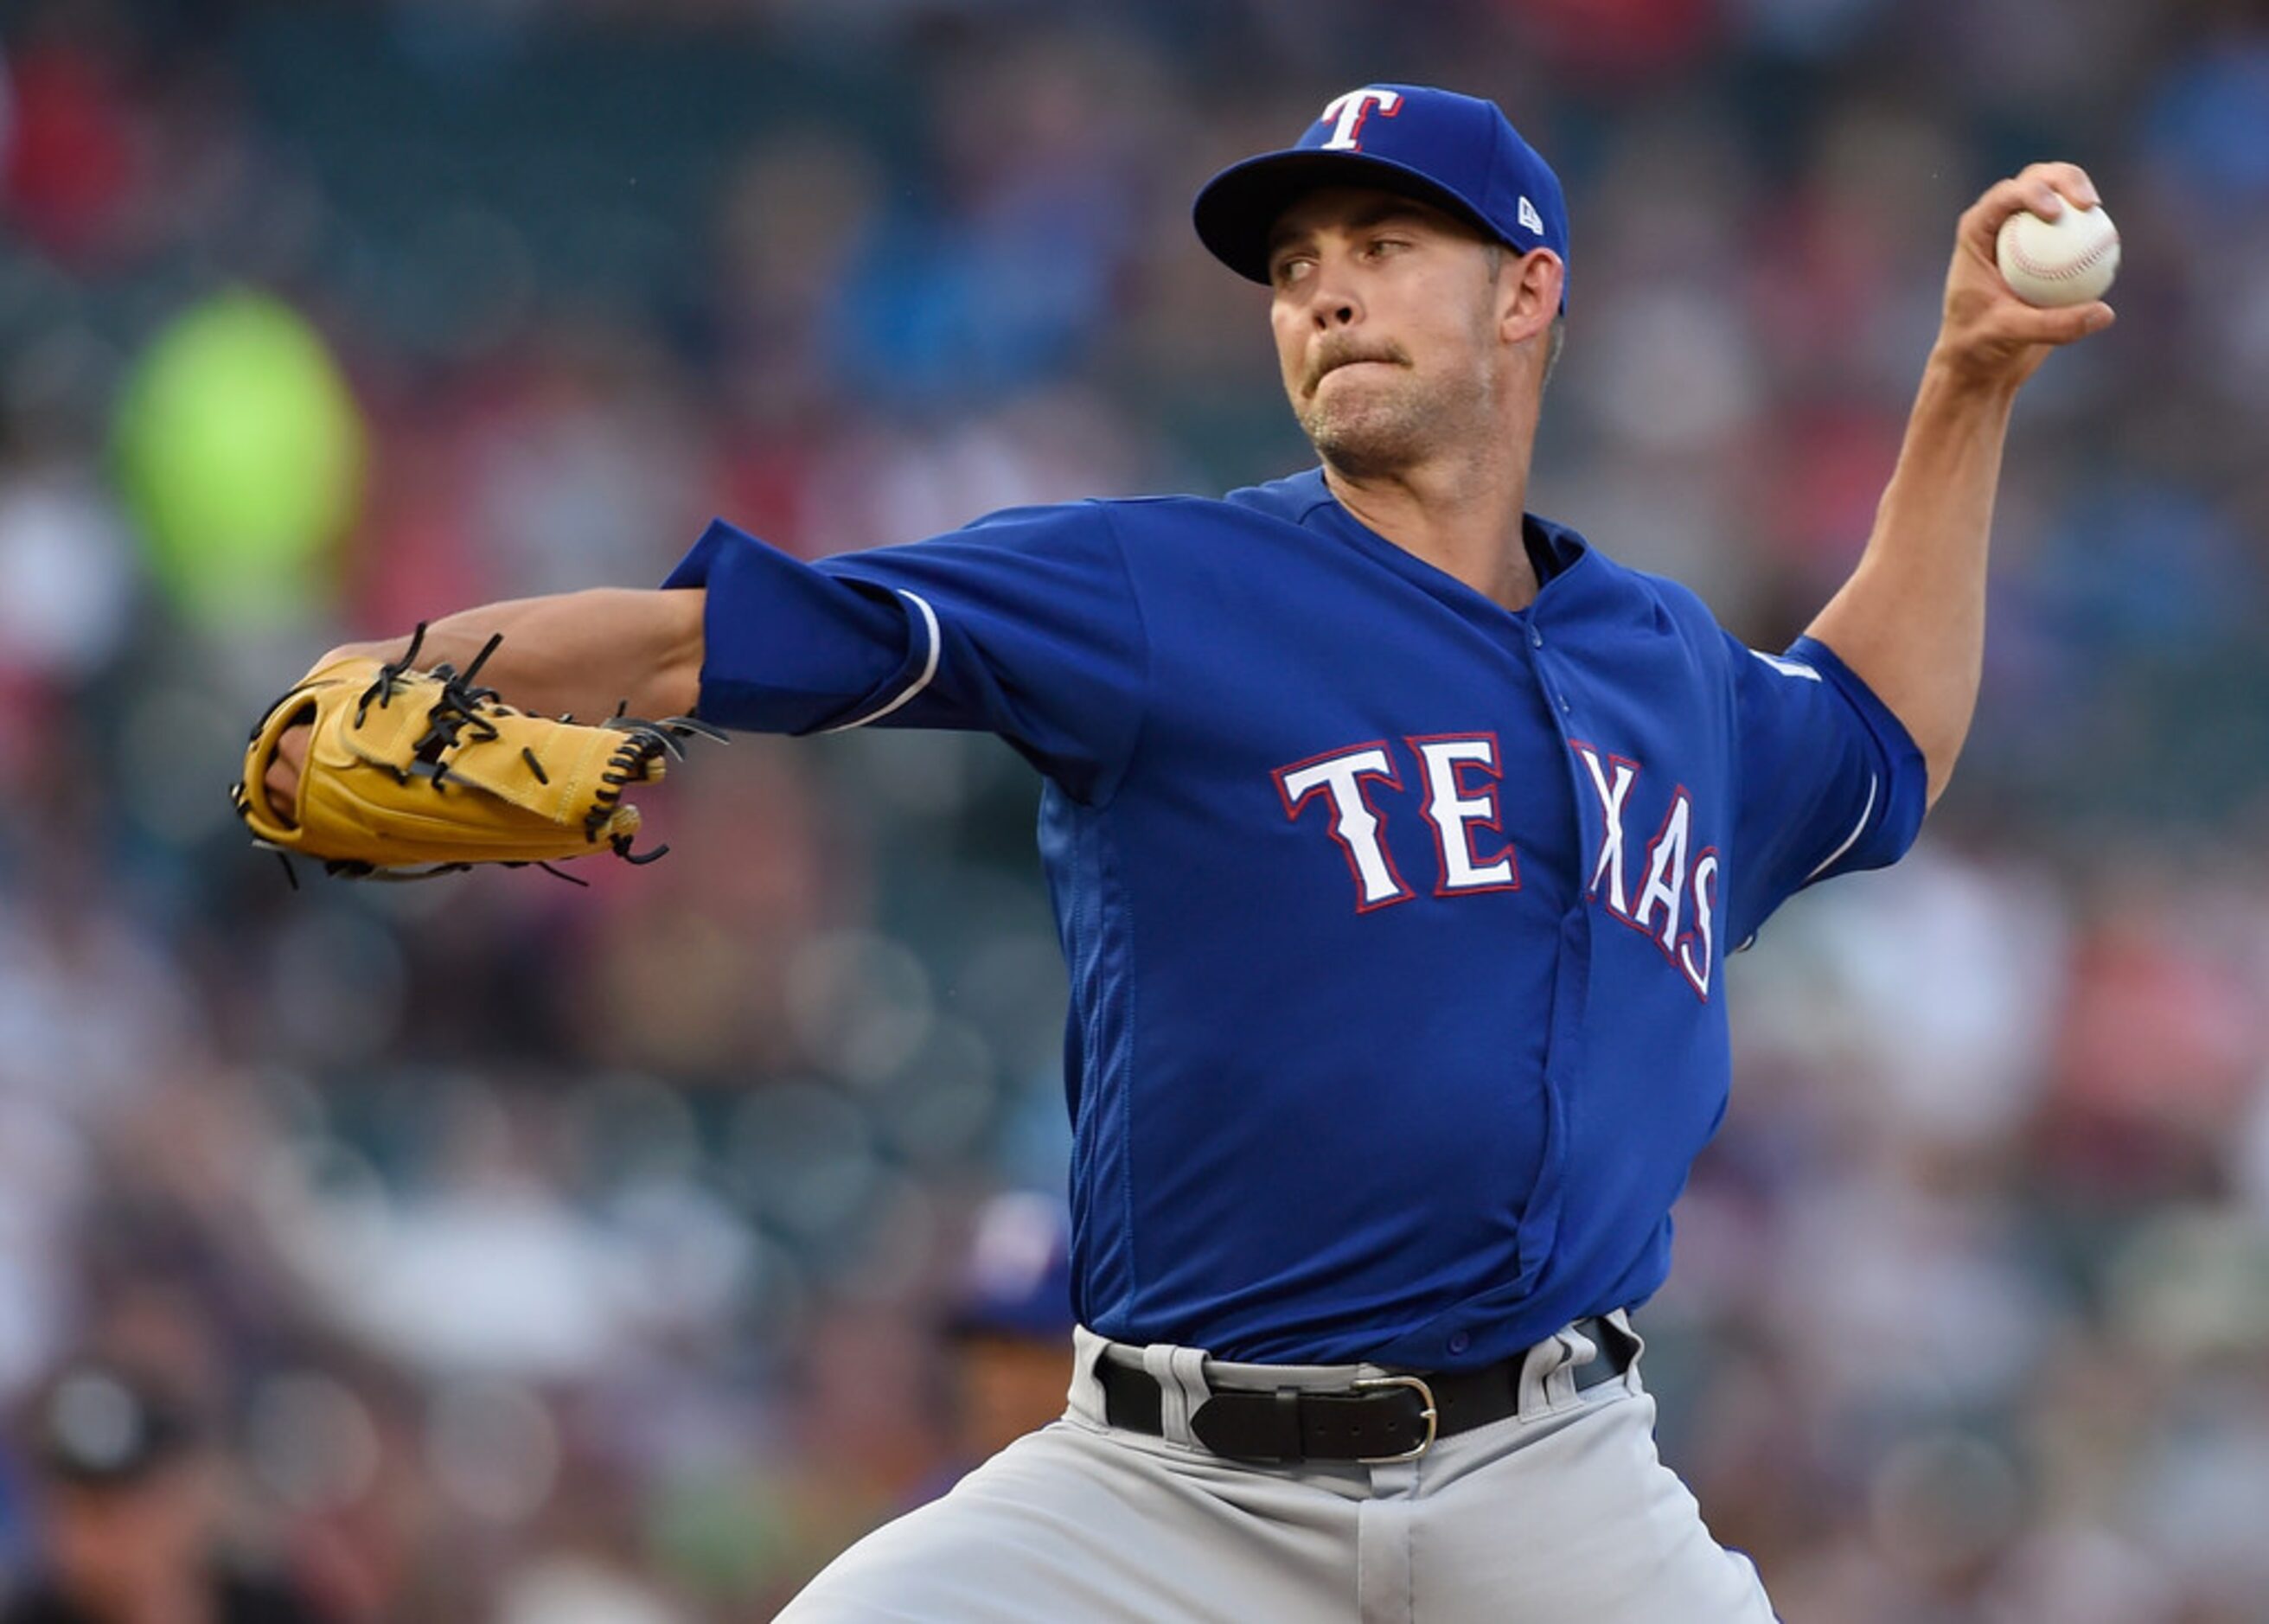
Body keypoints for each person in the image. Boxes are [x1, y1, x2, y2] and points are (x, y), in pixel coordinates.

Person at [262, 84, 2110, 1621]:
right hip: (1163, 1496)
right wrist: (421, 673)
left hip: (1557, 1485)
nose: (1327, 297)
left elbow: (1873, 737)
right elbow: (721, 636)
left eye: (1387, 250)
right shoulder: (1163, 586)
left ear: (1528, 293)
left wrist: (1964, 387)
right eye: (1298, 268)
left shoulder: (1670, 673)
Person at [3, 1360, 333, 1624]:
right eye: (74, 1510)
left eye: (120, 1509)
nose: (101, 1543)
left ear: (186, 1493)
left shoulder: (277, 1610)